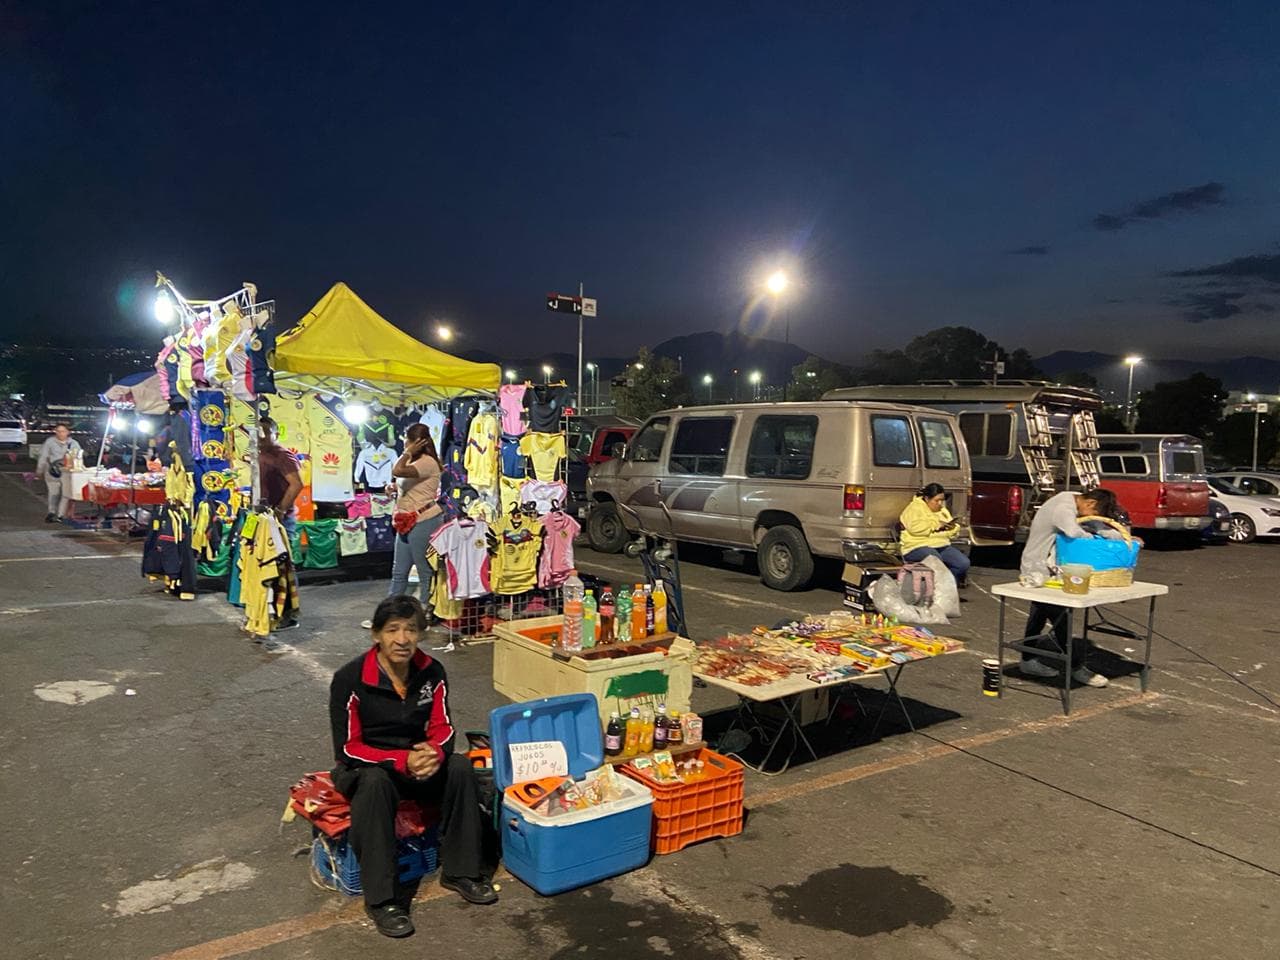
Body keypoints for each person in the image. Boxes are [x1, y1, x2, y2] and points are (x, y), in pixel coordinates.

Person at [329, 595, 498, 938]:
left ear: (420, 634)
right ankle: (383, 900)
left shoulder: (431, 671)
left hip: (418, 760)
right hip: (369, 766)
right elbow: (348, 747)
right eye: (392, 630)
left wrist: (434, 753)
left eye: (410, 629)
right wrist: (401, 761)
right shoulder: (350, 680)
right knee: (375, 784)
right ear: (376, 634)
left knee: (460, 768)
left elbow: (443, 726)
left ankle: (461, 871)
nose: (402, 639)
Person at [1019, 487, 1125, 688]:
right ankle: (1076, 667)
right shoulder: (1063, 506)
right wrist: (1100, 538)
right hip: (1038, 569)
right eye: (1095, 512)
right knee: (1060, 615)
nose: (1094, 517)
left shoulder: (1077, 503)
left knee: (1040, 613)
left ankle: (1028, 659)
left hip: (1052, 569)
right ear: (1091, 503)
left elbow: (1096, 525)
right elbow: (1075, 532)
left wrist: (1119, 535)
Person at [388, 424, 446, 608]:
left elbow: (397, 471)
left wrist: (407, 452)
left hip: (423, 520)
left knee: (424, 571)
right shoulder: (414, 462)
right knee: (399, 571)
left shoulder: (427, 462)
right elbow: (405, 481)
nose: (404, 442)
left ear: (415, 442)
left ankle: (424, 611)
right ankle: (390, 612)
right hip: (405, 521)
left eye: (406, 438)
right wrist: (395, 488)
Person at [258, 417, 303, 632]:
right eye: (258, 431)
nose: (262, 436)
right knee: (268, 567)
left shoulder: (282, 455)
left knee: (281, 567)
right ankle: (271, 610)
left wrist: (281, 510)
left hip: (280, 520)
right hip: (265, 517)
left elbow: (296, 484)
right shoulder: (261, 454)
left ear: (276, 433)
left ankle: (287, 613)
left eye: (266, 432)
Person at [898, 483, 970, 586]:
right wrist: (936, 525)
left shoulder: (942, 510)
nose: (940, 503)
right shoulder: (914, 509)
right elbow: (915, 529)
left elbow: (951, 530)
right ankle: (935, 588)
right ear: (927, 499)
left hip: (941, 545)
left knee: (963, 563)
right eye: (937, 500)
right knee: (936, 560)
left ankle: (947, 587)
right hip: (916, 546)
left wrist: (953, 528)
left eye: (942, 500)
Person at [36, 424, 81, 523]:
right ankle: (51, 512)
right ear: (55, 432)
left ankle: (61, 515)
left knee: (66, 494)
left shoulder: (74, 443)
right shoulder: (49, 442)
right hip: (52, 472)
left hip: (67, 473)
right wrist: (39, 470)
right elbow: (43, 456)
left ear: (68, 432)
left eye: (63, 431)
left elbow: (78, 458)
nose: (61, 433)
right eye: (58, 431)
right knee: (53, 493)